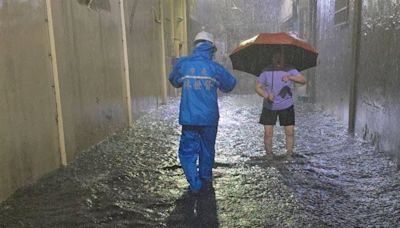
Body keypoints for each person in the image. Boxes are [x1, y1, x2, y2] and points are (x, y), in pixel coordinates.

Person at [169, 31, 236, 194]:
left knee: (187, 152)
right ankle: (206, 182)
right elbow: (230, 84)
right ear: (211, 49)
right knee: (207, 149)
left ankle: (194, 184)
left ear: (195, 46)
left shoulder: (183, 65)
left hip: (189, 117)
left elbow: (173, 80)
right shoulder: (215, 68)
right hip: (209, 119)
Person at [255, 50, 306, 156]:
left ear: (284, 59)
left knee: (290, 132)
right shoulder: (266, 71)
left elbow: (303, 80)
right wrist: (266, 95)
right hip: (269, 106)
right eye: (276, 57)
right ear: (272, 59)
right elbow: (258, 87)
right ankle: (269, 154)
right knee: (268, 133)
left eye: (280, 58)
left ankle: (289, 154)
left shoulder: (290, 69)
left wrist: (290, 77)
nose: (278, 60)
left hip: (287, 105)